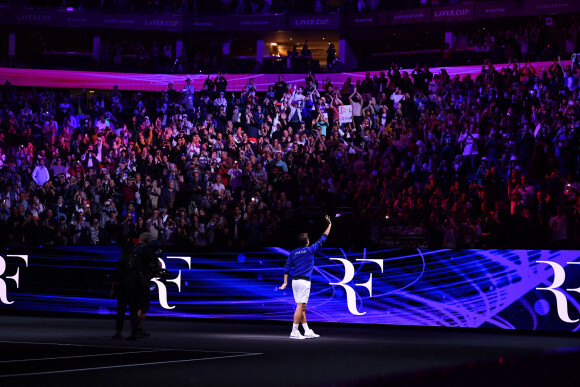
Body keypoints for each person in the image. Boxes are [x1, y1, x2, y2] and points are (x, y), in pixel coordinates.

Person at [280, 215, 332, 339]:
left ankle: (306, 330)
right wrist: (329, 225)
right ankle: (294, 331)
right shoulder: (310, 250)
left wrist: (285, 282)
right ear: (307, 242)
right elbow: (323, 238)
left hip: (295, 282)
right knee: (300, 306)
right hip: (303, 282)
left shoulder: (293, 253)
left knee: (302, 306)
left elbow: (286, 267)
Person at [110, 237, 140, 340]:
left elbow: (116, 277)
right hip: (134, 289)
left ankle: (118, 332)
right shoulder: (136, 261)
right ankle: (134, 333)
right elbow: (140, 276)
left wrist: (112, 290)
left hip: (123, 289)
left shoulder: (121, 261)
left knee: (121, 312)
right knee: (133, 312)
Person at [134, 232, 160, 338]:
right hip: (143, 280)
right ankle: (137, 328)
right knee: (143, 306)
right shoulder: (148, 251)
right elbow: (159, 264)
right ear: (148, 241)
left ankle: (136, 328)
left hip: (132, 280)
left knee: (136, 306)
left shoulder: (134, 249)